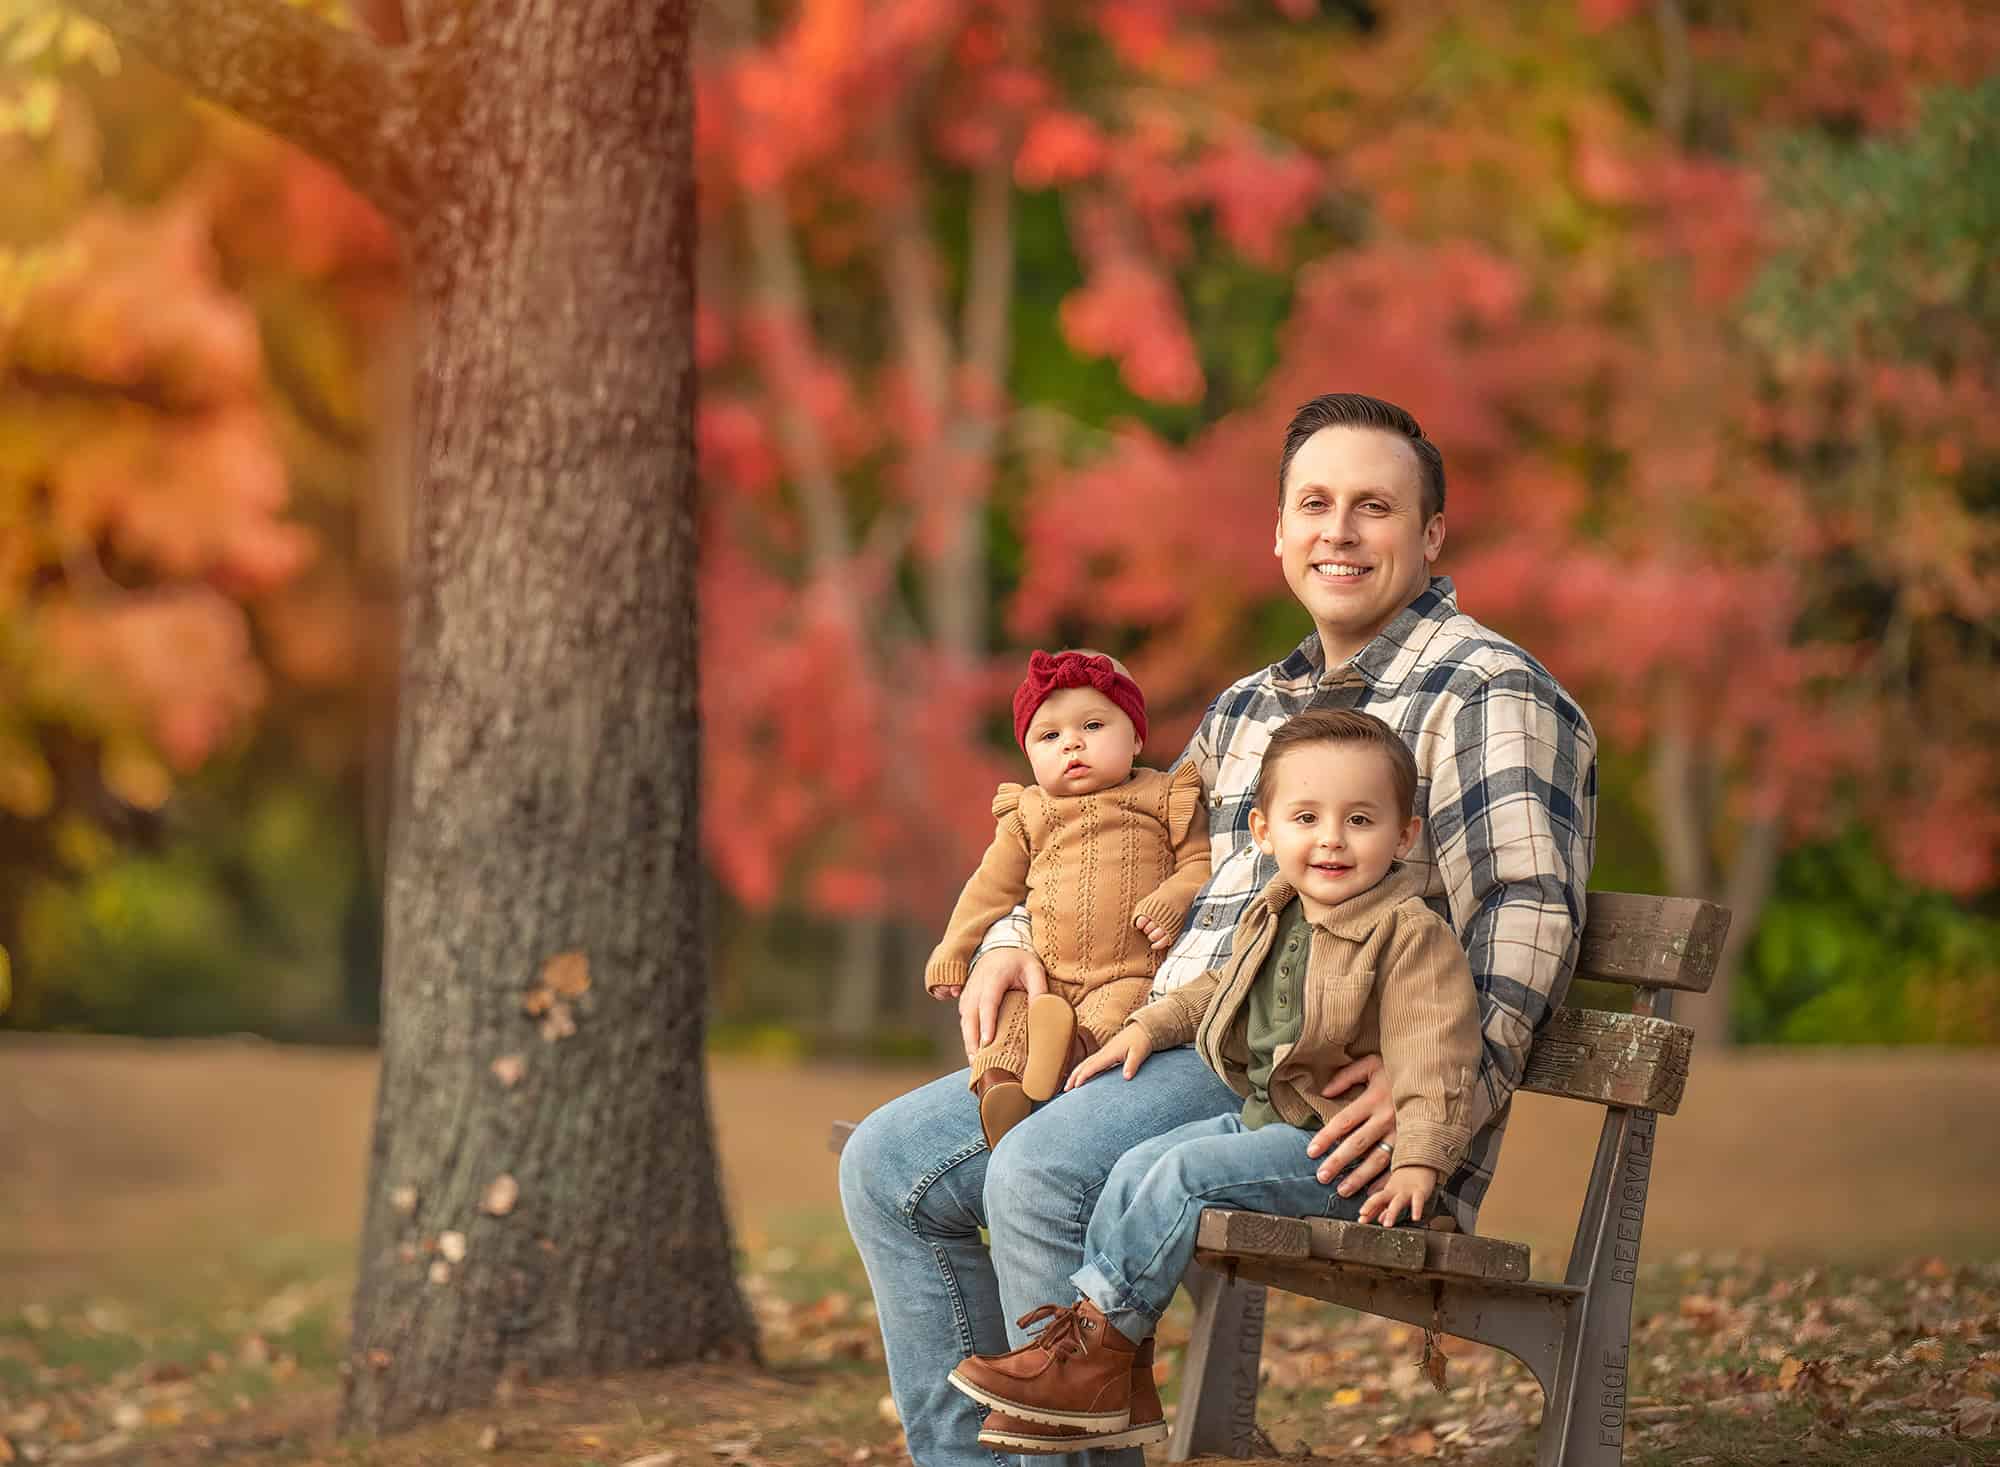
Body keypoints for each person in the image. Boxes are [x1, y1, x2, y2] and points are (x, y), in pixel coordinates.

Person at [839, 392, 1597, 1466]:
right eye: (1314, 504)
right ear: (1278, 533)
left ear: (1429, 535)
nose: (1338, 530)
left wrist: (1453, 1081)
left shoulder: (1487, 692)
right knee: (884, 1166)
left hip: (1300, 1074)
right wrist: (1009, 932)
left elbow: (1523, 903)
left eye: (1373, 507)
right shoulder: (1251, 704)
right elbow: (1110, 834)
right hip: (1159, 1032)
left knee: (1041, 1170)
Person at [948, 708, 1481, 1451]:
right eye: (1307, 816)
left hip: (1341, 1155)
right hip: (1269, 1124)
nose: (1330, 837)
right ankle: (1120, 1369)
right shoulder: (1274, 913)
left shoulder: (1408, 932)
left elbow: (1436, 1052)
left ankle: (1094, 1350)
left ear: (1404, 836)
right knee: (1138, 1165)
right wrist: (1145, 1026)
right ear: (1264, 831)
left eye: (1359, 819)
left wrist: (1422, 1156)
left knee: (1185, 1174)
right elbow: (1216, 991)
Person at [924, 650, 1210, 1148]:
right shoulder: (1029, 813)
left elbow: (1202, 863)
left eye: (1093, 726)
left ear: (1137, 737)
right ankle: (1001, 1092)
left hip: (1126, 972)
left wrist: (1176, 894)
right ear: (1030, 755)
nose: (1072, 744)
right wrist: (955, 948)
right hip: (1044, 973)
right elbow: (990, 889)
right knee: (1006, 1020)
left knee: (1114, 1017)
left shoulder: (1163, 796)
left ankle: (1068, 1054)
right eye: (1050, 736)